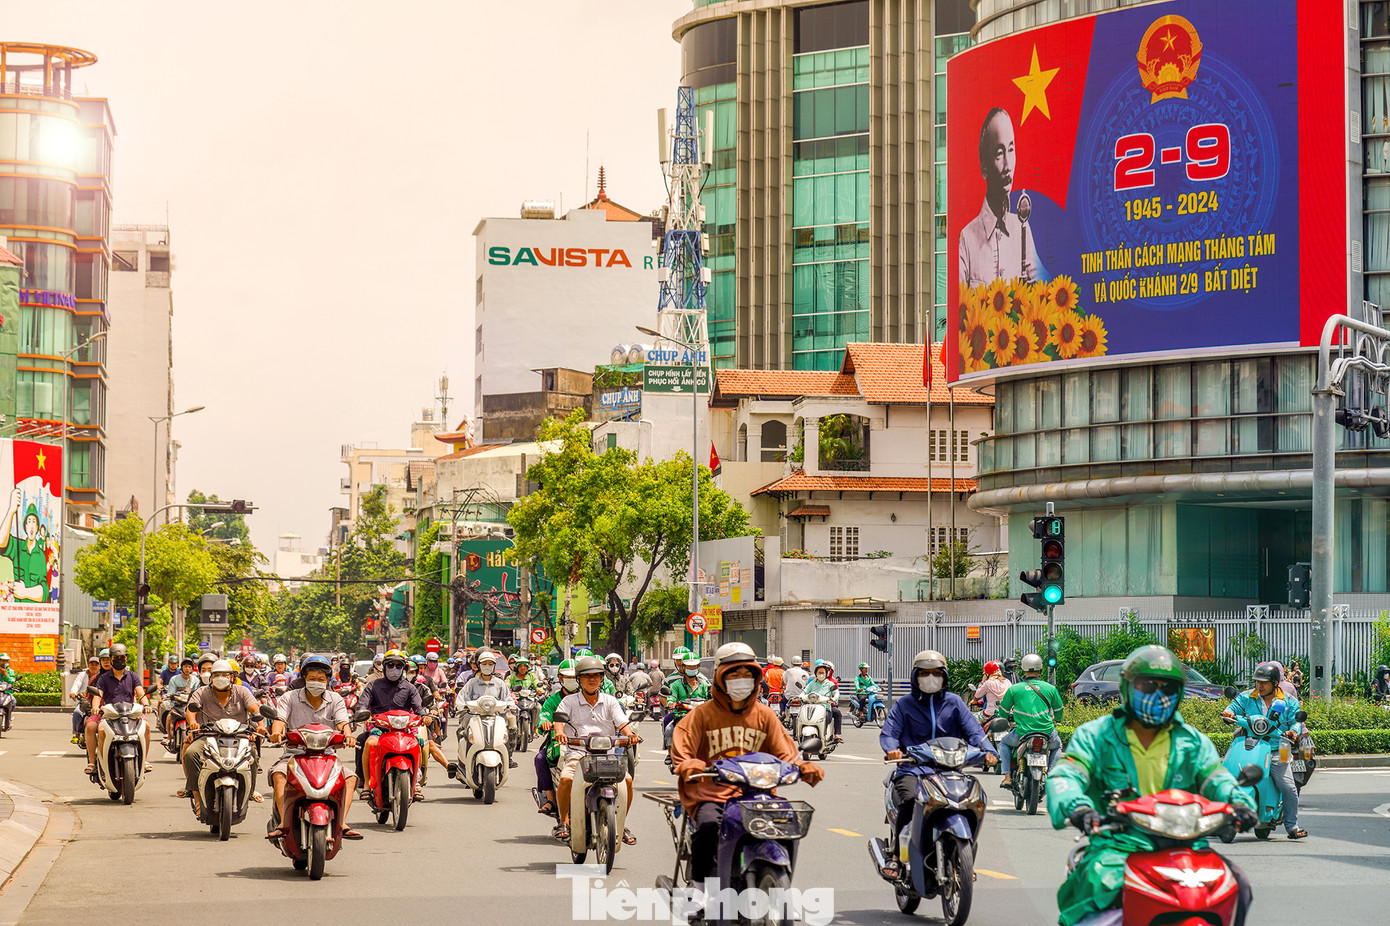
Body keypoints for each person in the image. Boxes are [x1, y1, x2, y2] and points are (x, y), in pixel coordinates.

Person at [1049, 645, 1257, 926]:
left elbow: (1217, 779)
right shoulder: (1095, 736)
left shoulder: (1192, 742)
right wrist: (1078, 808)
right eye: (1148, 685)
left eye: (1168, 687)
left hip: (1188, 846)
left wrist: (1240, 804)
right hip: (1120, 845)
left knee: (1238, 884)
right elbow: (1066, 776)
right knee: (1097, 888)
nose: (1159, 695)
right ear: (1126, 687)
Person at [670, 643, 825, 889]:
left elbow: (786, 751)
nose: (740, 680)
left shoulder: (765, 715)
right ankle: (699, 890)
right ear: (720, 677)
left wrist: (802, 766)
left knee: (787, 821)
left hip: (757, 795)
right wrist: (689, 763)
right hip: (713, 794)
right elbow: (683, 742)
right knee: (708, 826)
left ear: (756, 678)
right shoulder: (702, 714)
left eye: (747, 674)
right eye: (733, 674)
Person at [880, 649, 998, 873]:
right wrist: (892, 750)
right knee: (909, 800)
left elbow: (975, 733)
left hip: (950, 770)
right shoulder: (904, 705)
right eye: (924, 673)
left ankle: (964, 855)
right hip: (913, 770)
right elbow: (889, 733)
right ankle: (896, 854)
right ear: (915, 676)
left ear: (944, 676)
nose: (930, 678)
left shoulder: (954, 703)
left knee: (972, 801)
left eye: (936, 673)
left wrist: (989, 751)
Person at [265, 654, 361, 841]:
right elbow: (280, 720)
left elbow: (343, 723)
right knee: (279, 774)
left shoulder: (336, 699)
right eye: (312, 679)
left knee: (350, 777)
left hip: (328, 756)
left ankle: (341, 823)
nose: (316, 682)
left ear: (327, 681)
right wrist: (276, 733)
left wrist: (348, 736)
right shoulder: (289, 697)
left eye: (320, 679)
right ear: (304, 679)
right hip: (295, 755)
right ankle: (283, 823)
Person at [554, 656, 640, 845]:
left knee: (627, 781)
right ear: (579, 679)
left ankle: (621, 822)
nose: (592, 679)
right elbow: (559, 721)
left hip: (606, 755)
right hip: (578, 753)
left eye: (596, 676)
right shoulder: (569, 701)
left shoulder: (610, 701)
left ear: (602, 679)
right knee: (566, 779)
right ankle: (564, 821)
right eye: (587, 676)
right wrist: (560, 733)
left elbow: (622, 722)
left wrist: (630, 734)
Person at [958, 106, 1039, 288]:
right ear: (984, 168)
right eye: (999, 154)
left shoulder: (1022, 230)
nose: (1008, 165)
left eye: (1011, 149)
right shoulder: (966, 240)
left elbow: (1042, 299)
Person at [1223, 661, 1305, 839]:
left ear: (1275, 683)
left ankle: (1292, 826)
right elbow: (1233, 707)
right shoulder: (1247, 696)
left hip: (1276, 748)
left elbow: (1296, 721)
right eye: (1257, 681)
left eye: (1264, 682)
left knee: (1288, 787)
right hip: (1250, 745)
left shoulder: (1288, 701)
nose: (1259, 685)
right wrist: (1228, 712)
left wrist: (1293, 731)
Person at [180, 659, 264, 812]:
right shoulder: (202, 692)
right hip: (208, 736)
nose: (220, 678)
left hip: (238, 737)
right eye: (216, 675)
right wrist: (192, 722)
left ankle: (249, 791)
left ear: (232, 677)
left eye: (224, 675)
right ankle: (196, 796)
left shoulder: (242, 691)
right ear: (211, 677)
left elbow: (255, 709)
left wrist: (261, 725)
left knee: (252, 753)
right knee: (191, 753)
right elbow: (190, 711)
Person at [357, 650, 436, 799]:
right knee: (368, 743)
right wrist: (363, 714)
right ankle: (367, 784)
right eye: (391, 665)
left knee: (419, 743)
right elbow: (362, 704)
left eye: (398, 666)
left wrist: (425, 716)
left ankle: (416, 782)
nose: (394, 669)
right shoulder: (373, 686)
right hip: (380, 730)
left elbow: (419, 707)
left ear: (403, 669)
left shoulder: (409, 688)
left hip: (404, 731)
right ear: (384, 667)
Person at [997, 653, 1063, 789]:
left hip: (1022, 733)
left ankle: (1007, 777)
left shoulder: (1014, 689)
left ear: (1023, 669)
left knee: (1004, 742)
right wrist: (1057, 719)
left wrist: (1004, 717)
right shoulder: (1050, 688)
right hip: (1047, 733)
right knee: (1057, 746)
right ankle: (1050, 775)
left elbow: (1003, 711)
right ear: (1041, 669)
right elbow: (1059, 710)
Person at [85, 643, 152, 775]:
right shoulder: (103, 678)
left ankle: (144, 760)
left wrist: (146, 705)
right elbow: (98, 696)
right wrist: (95, 708)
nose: (119, 660)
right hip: (110, 714)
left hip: (131, 713)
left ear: (126, 658)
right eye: (116, 657)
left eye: (122, 657)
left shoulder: (133, 676)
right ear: (111, 659)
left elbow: (140, 693)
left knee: (147, 726)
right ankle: (94, 762)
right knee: (97, 728)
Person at [455, 651, 518, 768]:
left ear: (494, 666)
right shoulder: (471, 683)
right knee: (461, 731)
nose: (487, 666)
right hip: (475, 717)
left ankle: (507, 756)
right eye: (484, 664)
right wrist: (461, 706)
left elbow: (508, 698)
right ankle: (463, 762)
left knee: (512, 725)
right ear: (479, 665)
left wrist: (511, 705)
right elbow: (462, 698)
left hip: (497, 717)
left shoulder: (500, 684)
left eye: (490, 664)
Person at [534, 660, 579, 821]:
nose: (572, 680)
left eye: (575, 677)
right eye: (568, 677)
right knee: (540, 759)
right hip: (559, 742)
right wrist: (545, 723)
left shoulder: (588, 696)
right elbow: (543, 718)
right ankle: (551, 800)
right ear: (560, 678)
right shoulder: (552, 700)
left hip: (584, 742)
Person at [664, 656, 710, 750]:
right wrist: (671, 703)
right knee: (669, 730)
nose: (692, 669)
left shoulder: (704, 684)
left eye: (694, 667)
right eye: (689, 667)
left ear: (698, 667)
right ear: (684, 667)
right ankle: (670, 753)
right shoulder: (676, 684)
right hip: (682, 715)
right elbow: (671, 698)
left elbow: (710, 698)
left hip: (701, 717)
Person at [162, 656, 201, 741]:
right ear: (182, 667)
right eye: (185, 666)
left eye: (189, 667)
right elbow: (171, 692)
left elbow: (196, 693)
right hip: (177, 705)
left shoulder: (195, 680)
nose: (187, 669)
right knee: (169, 716)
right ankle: (169, 737)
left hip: (190, 705)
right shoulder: (174, 679)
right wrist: (169, 697)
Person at [803, 660, 842, 743]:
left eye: (823, 672)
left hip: (826, 706)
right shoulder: (812, 682)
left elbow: (836, 693)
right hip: (812, 705)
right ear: (816, 672)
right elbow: (805, 691)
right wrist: (800, 697)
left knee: (835, 713)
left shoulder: (831, 683)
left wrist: (832, 699)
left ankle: (835, 734)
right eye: (819, 672)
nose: (821, 674)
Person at [69, 655, 102, 744]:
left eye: (96, 664)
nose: (94, 666)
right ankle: (77, 735)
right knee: (77, 712)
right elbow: (77, 684)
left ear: (99, 666)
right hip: (85, 701)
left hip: (100, 702)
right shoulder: (82, 675)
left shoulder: (102, 676)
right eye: (92, 664)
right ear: (88, 665)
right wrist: (73, 692)